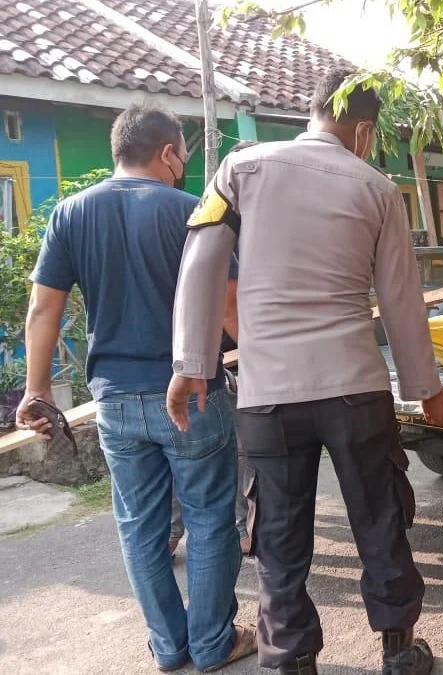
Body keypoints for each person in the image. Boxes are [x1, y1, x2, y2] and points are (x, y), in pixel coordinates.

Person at [166, 71, 443, 675]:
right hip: (356, 390)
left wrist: (191, 366)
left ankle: (291, 661)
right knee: (379, 519)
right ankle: (400, 652)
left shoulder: (241, 170)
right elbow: (402, 300)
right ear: (364, 129)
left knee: (276, 535)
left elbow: (200, 260)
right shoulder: (378, 189)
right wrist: (427, 390)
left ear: (313, 113)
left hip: (267, 396)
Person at [15, 105, 257, 672]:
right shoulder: (193, 211)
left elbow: (42, 307)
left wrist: (35, 389)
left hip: (115, 401)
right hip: (192, 394)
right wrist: (269, 371)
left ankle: (170, 647)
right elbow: (228, 306)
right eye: (183, 157)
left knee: (139, 526)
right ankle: (213, 642)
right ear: (169, 153)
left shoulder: (71, 212)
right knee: (208, 518)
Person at [169, 138, 260, 559]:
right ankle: (241, 527)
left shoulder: (213, 212)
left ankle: (172, 532)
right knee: (236, 449)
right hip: (222, 359)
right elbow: (227, 307)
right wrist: (260, 352)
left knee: (181, 452)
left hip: (202, 357)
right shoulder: (226, 217)